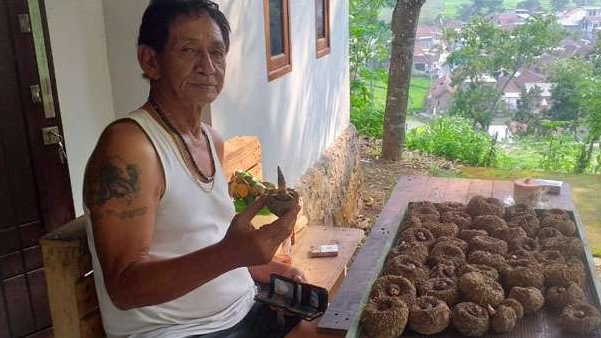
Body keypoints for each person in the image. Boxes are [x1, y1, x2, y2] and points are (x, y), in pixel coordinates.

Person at [82, 1, 304, 337]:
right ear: (150, 60)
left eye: (217, 52)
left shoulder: (210, 140)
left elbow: (202, 239)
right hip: (181, 331)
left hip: (247, 309)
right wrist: (231, 254)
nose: (208, 66)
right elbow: (124, 288)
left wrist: (261, 265)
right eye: (189, 50)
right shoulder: (130, 148)